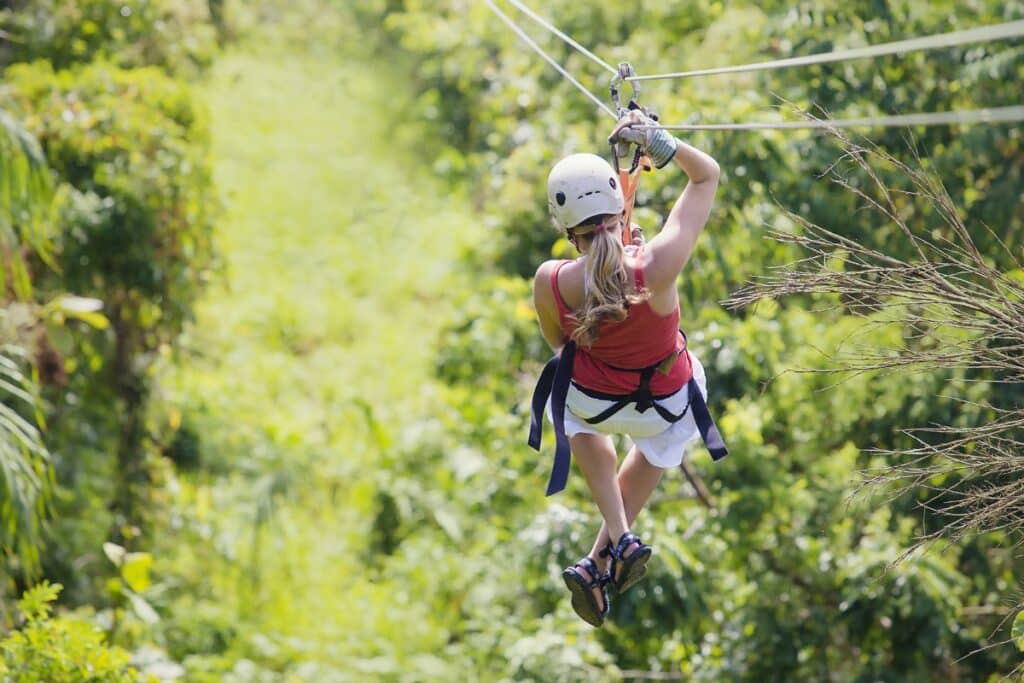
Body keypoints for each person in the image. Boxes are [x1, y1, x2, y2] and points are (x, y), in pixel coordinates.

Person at [529, 110, 726, 627]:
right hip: (665, 401)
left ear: (567, 230)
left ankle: (615, 543)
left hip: (595, 400)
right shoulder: (657, 266)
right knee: (662, 439)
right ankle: (607, 551)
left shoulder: (550, 282)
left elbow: (560, 342)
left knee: (565, 396)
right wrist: (662, 144)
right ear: (620, 209)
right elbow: (707, 175)